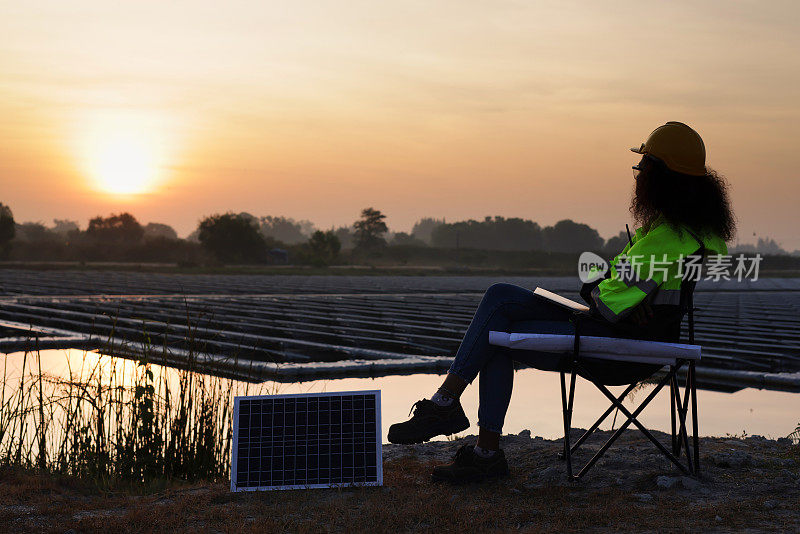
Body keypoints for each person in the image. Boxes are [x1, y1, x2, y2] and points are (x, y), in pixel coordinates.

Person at [387, 121, 735, 483]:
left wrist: (601, 285)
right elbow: (614, 288)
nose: (638, 175)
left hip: (618, 347)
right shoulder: (682, 232)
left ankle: (467, 433)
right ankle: (457, 421)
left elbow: (607, 297)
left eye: (643, 167)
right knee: (499, 296)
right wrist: (610, 287)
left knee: (497, 331)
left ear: (663, 176)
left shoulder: (666, 238)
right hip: (628, 336)